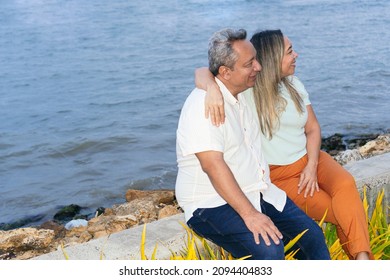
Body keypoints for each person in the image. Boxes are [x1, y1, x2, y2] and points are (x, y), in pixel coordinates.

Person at [195, 29, 373, 260]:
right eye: (290, 51)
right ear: (272, 57)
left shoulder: (293, 84)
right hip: (280, 175)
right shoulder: (247, 91)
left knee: (346, 184)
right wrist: (211, 89)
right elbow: (202, 72)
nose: (296, 55)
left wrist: (311, 165)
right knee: (340, 213)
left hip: (312, 160)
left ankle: (362, 262)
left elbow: (313, 128)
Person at [175, 28, 330, 260]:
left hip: (259, 192)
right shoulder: (204, 106)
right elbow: (212, 165)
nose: (258, 66)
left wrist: (210, 82)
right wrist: (250, 215)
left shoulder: (241, 94)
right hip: (210, 203)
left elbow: (203, 72)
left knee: (312, 237)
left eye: (256, 58)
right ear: (226, 72)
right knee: (269, 250)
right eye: (250, 64)